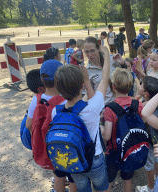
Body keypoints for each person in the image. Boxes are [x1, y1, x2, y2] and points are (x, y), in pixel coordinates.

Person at [52, 45, 111, 192]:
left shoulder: (56, 111)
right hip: (95, 159)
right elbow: (105, 78)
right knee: (102, 188)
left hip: (74, 161)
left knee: (83, 189)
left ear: (59, 90)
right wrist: (106, 54)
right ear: (81, 86)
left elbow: (82, 100)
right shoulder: (92, 107)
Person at [25, 60, 77, 192]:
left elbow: (29, 124)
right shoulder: (67, 99)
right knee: (73, 177)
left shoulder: (36, 99)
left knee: (58, 175)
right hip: (67, 146)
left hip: (49, 148)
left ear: (42, 80)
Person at [102, 67, 144, 192]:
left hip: (113, 150)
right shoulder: (138, 104)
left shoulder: (110, 108)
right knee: (127, 179)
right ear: (131, 86)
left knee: (108, 180)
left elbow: (107, 136)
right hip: (130, 148)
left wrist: (101, 127)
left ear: (113, 87)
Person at [136, 76, 158, 192]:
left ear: (146, 93)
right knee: (156, 160)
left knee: (149, 165)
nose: (138, 86)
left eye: (141, 85)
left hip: (150, 143)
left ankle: (150, 188)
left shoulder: (145, 109)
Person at [84, 36, 125, 104]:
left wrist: (123, 64)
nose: (90, 55)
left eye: (92, 51)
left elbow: (126, 77)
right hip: (104, 108)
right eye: (87, 52)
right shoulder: (88, 71)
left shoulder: (111, 59)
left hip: (119, 104)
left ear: (99, 49)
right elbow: (89, 93)